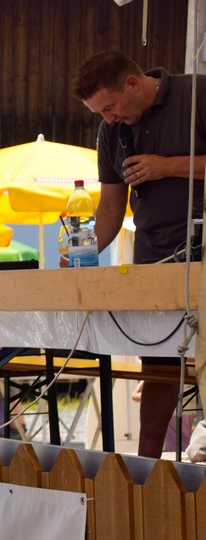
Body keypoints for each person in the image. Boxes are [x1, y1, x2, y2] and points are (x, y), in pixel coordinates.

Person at [74, 50, 206, 457]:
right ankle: (145, 479)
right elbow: (111, 209)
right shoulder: (110, 131)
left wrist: (167, 166)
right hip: (153, 267)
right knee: (156, 391)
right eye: (101, 113)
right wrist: (79, 257)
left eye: (110, 107)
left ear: (132, 83)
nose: (108, 118)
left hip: (202, 260)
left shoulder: (197, 95)